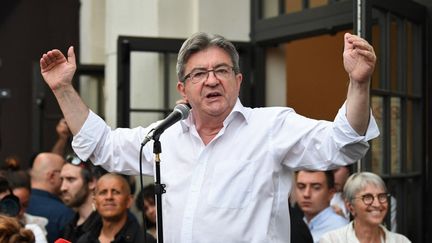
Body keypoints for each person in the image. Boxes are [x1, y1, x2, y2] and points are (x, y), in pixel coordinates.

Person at [39, 32, 379, 242]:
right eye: (199, 73)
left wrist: (359, 83)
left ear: (238, 80)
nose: (212, 80)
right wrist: (63, 89)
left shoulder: (272, 127)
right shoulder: (164, 136)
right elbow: (103, 146)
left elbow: (344, 141)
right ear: (183, 89)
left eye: (221, 71)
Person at [320, 172, 411, 243]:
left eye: (381, 197)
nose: (377, 204)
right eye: (367, 197)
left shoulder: (401, 241)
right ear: (350, 206)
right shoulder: (332, 240)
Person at [76, 173, 155, 243]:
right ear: (95, 201)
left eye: (116, 192)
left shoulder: (144, 240)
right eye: (103, 192)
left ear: (129, 201)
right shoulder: (85, 240)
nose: (109, 197)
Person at [27, 153, 74, 243]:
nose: (64, 181)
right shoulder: (64, 213)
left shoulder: (14, 206)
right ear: (52, 176)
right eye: (62, 176)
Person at [295, 170, 348, 242]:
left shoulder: (340, 230)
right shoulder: (296, 224)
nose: (306, 194)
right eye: (301, 187)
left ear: (331, 193)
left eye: (316, 188)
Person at [59, 154, 101, 242]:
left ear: (92, 183)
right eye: (61, 180)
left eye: (70, 179)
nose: (63, 187)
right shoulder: (69, 226)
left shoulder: (105, 224)